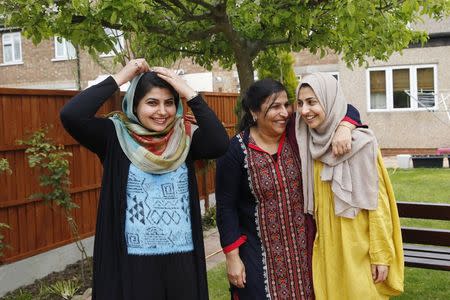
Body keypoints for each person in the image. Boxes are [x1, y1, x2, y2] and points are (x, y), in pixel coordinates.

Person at [60, 58, 228, 300]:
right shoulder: (114, 135)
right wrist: (121, 77)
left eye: (169, 103)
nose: (162, 112)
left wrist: (189, 92)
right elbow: (71, 115)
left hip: (180, 260)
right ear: (135, 105)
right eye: (152, 103)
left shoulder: (185, 136)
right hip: (130, 263)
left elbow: (219, 143)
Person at [215, 78, 362, 299]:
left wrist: (344, 126)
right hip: (258, 253)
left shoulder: (298, 133)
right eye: (275, 107)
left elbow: (345, 108)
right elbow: (226, 207)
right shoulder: (235, 151)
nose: (284, 113)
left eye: (286, 105)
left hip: (304, 250)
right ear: (254, 112)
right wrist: (232, 257)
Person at [295, 73, 404, 299]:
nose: (304, 110)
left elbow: (378, 206)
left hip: (359, 249)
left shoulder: (361, 144)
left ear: (330, 101)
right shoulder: (309, 142)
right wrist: (347, 122)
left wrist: (381, 254)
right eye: (301, 103)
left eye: (312, 102)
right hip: (327, 251)